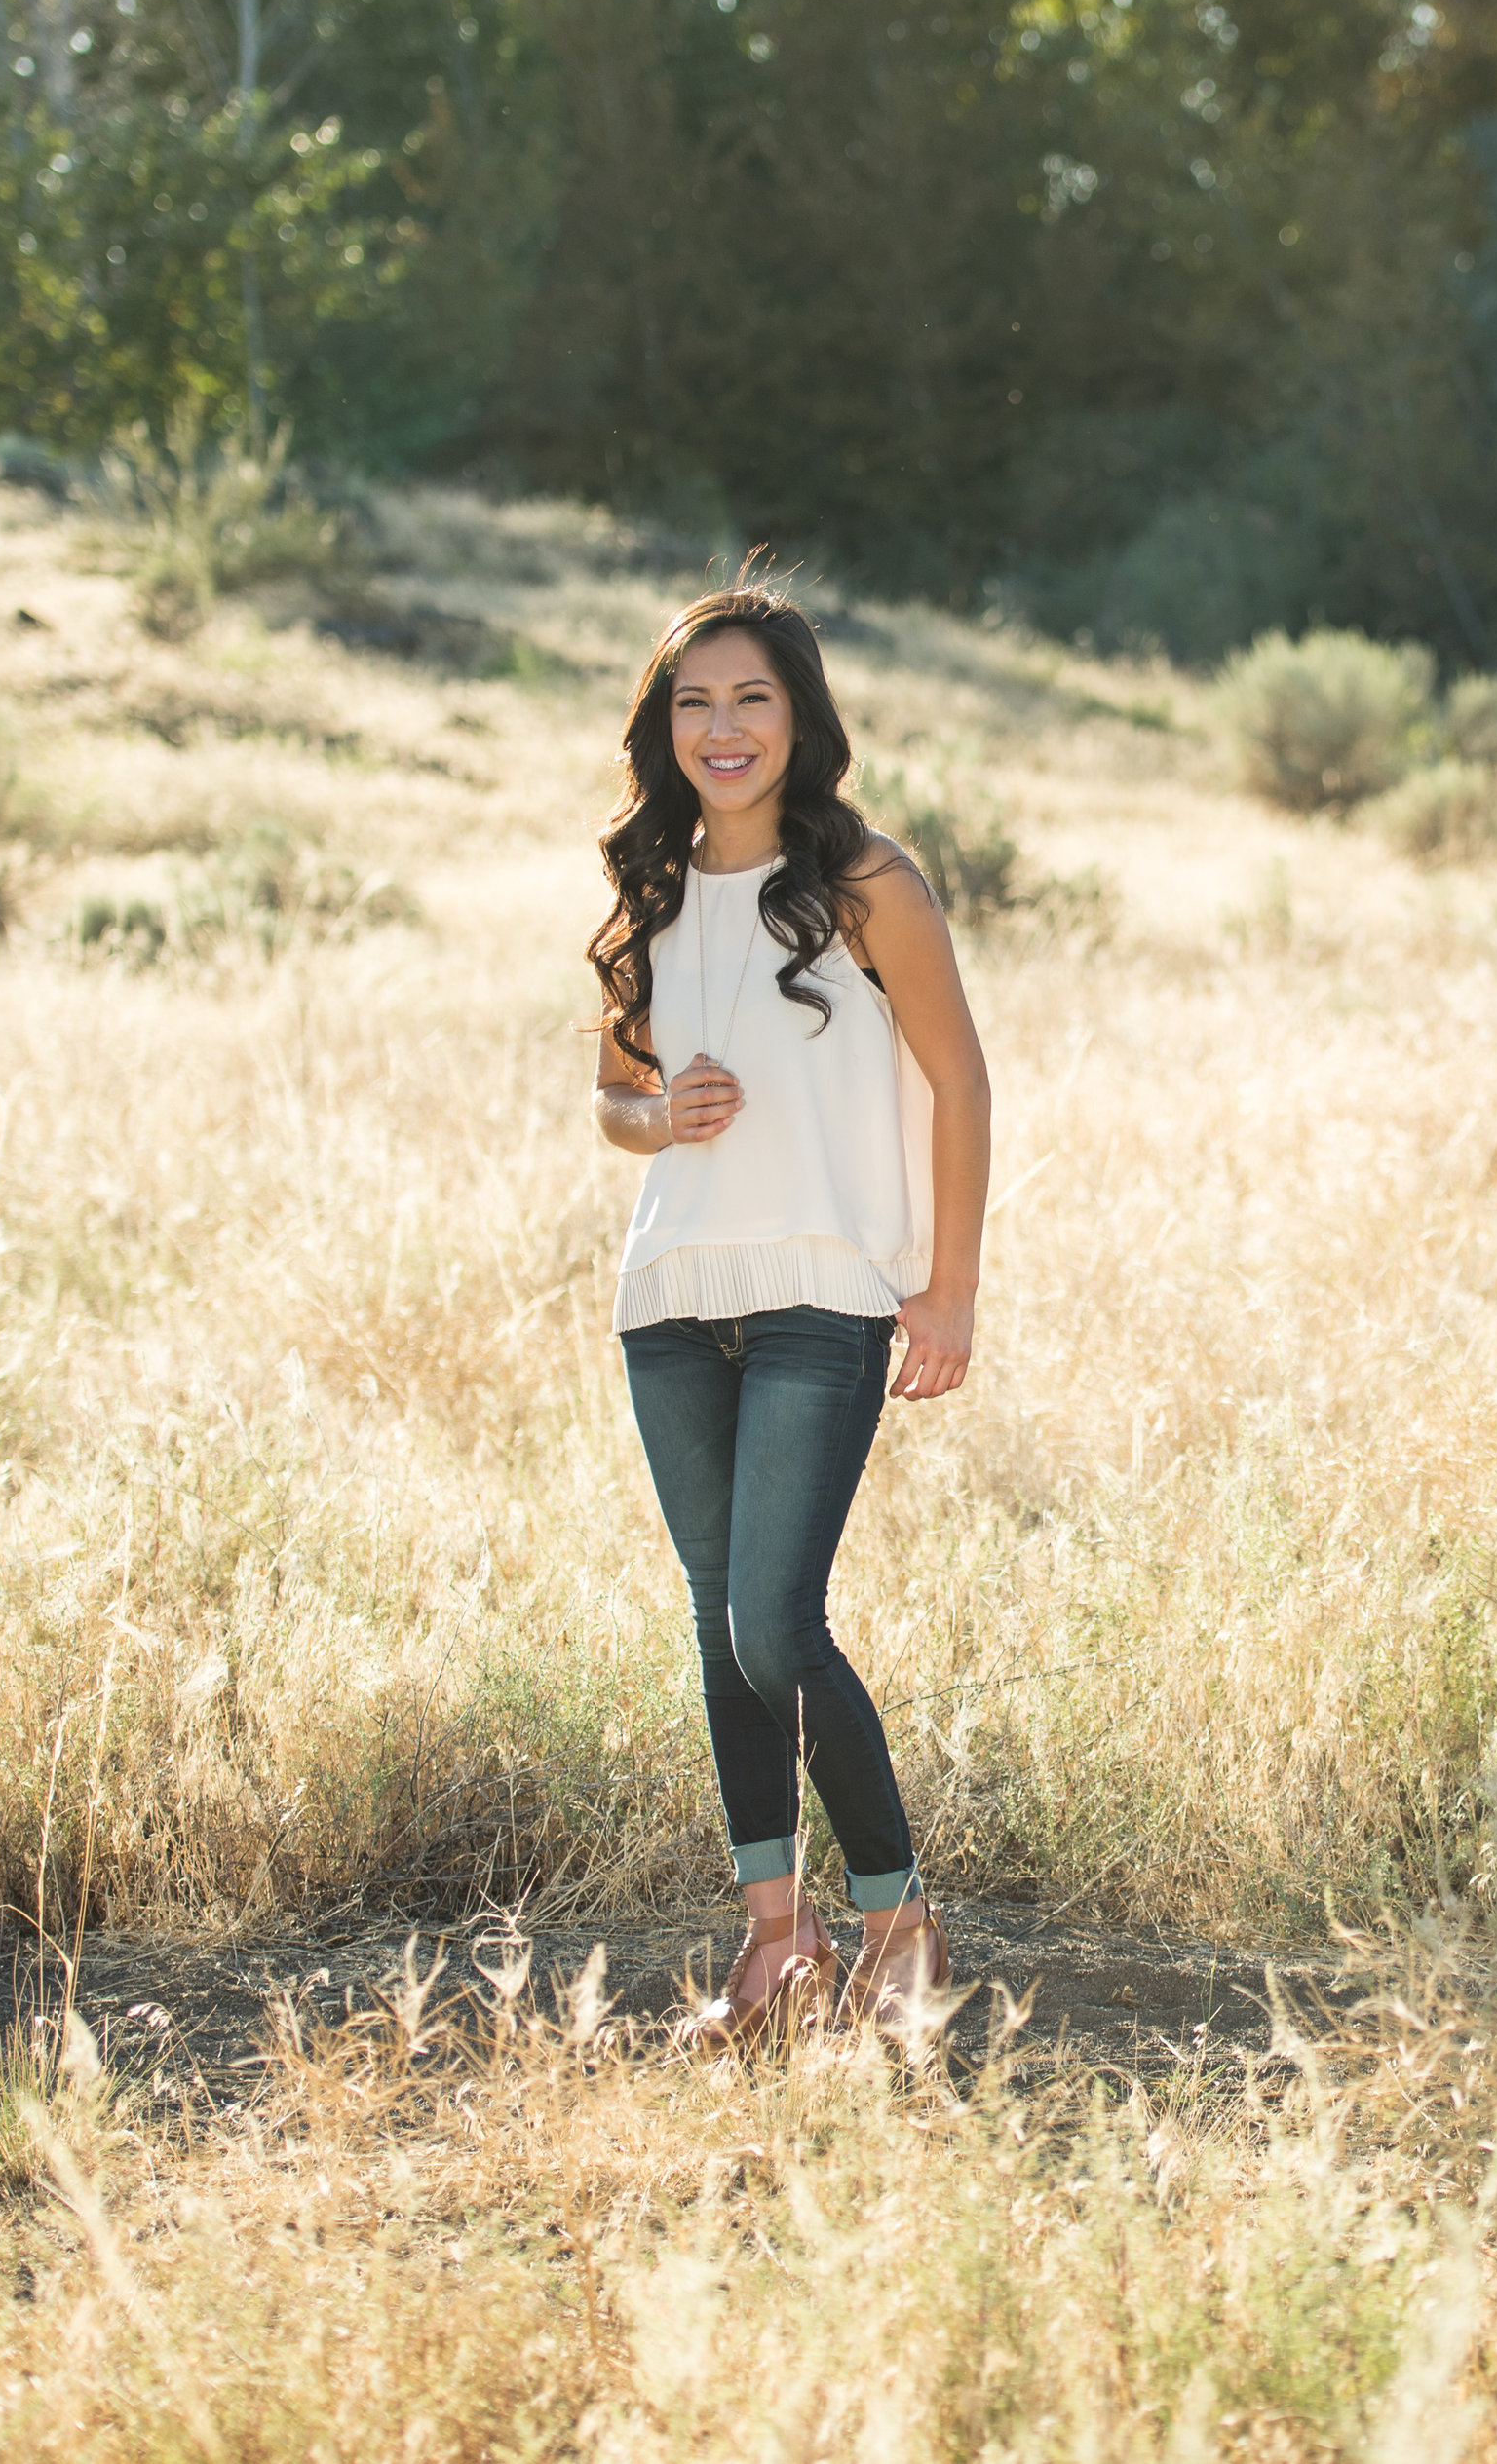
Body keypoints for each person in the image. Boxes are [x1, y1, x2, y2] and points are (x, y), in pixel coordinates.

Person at [585, 585, 991, 2051]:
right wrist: (652, 1111)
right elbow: (616, 1098)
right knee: (718, 1627)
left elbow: (962, 1079)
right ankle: (776, 1943)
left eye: (751, 698)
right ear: (666, 725)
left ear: (800, 714)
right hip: (673, 1293)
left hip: (826, 1287)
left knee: (777, 1624)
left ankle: (897, 1919)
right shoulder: (652, 880)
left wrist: (946, 1286)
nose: (723, 728)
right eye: (694, 703)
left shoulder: (868, 880)